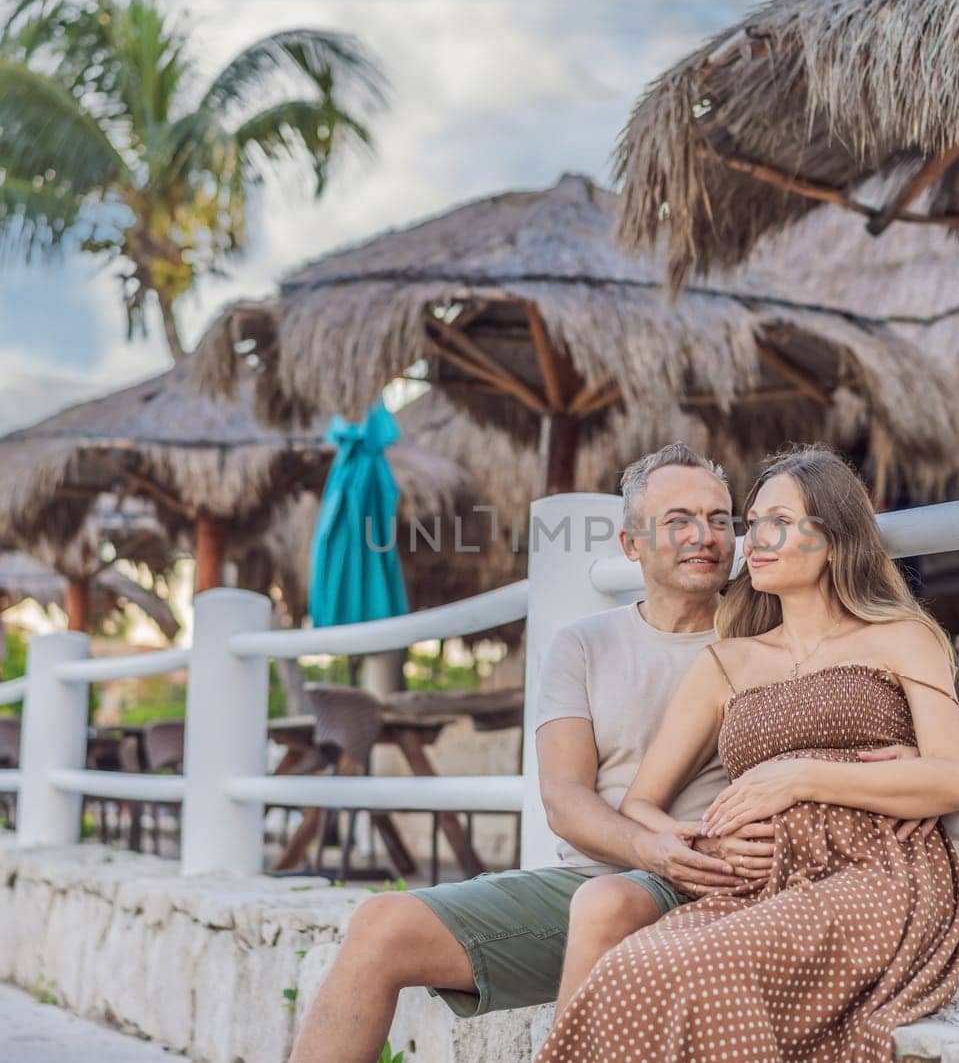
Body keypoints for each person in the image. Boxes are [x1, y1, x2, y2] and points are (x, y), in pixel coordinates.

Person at [288, 443, 762, 1063]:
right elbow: (564, 798)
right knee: (381, 924)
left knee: (610, 902)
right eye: (679, 521)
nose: (705, 536)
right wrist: (650, 848)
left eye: (720, 519)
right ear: (631, 545)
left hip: (709, 885)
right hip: (590, 882)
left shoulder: (763, 638)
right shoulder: (583, 644)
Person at [537, 445, 959, 1063]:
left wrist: (800, 776)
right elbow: (641, 802)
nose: (754, 540)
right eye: (753, 523)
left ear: (831, 536)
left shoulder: (903, 637)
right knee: (632, 966)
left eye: (778, 522)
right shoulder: (727, 660)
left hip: (877, 874)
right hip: (761, 885)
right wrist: (701, 848)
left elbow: (957, 779)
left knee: (700, 971)